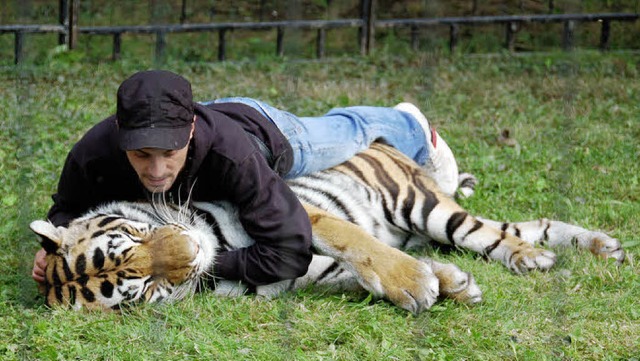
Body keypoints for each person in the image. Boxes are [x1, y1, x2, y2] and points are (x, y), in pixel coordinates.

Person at [32, 70, 458, 288]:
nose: (156, 171)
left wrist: (204, 265)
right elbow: (67, 208)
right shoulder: (95, 151)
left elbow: (291, 252)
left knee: (348, 133)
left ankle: (411, 126)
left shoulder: (233, 157)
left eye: (169, 155)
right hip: (201, 117)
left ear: (192, 134)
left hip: (267, 132)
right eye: (142, 155)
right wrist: (58, 242)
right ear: (121, 136)